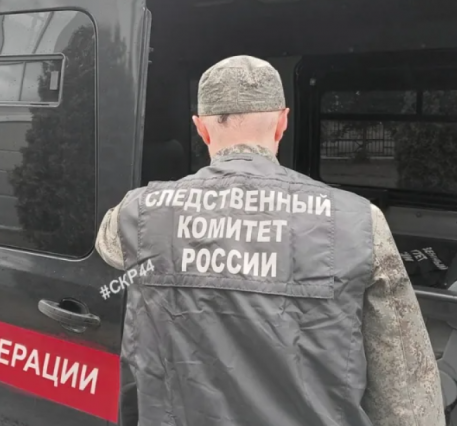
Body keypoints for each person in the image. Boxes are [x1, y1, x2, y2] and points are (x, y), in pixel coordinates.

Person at [95, 55, 444, 426]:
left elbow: (108, 246)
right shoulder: (361, 221)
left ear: (201, 129)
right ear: (282, 122)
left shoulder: (137, 212)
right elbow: (407, 392)